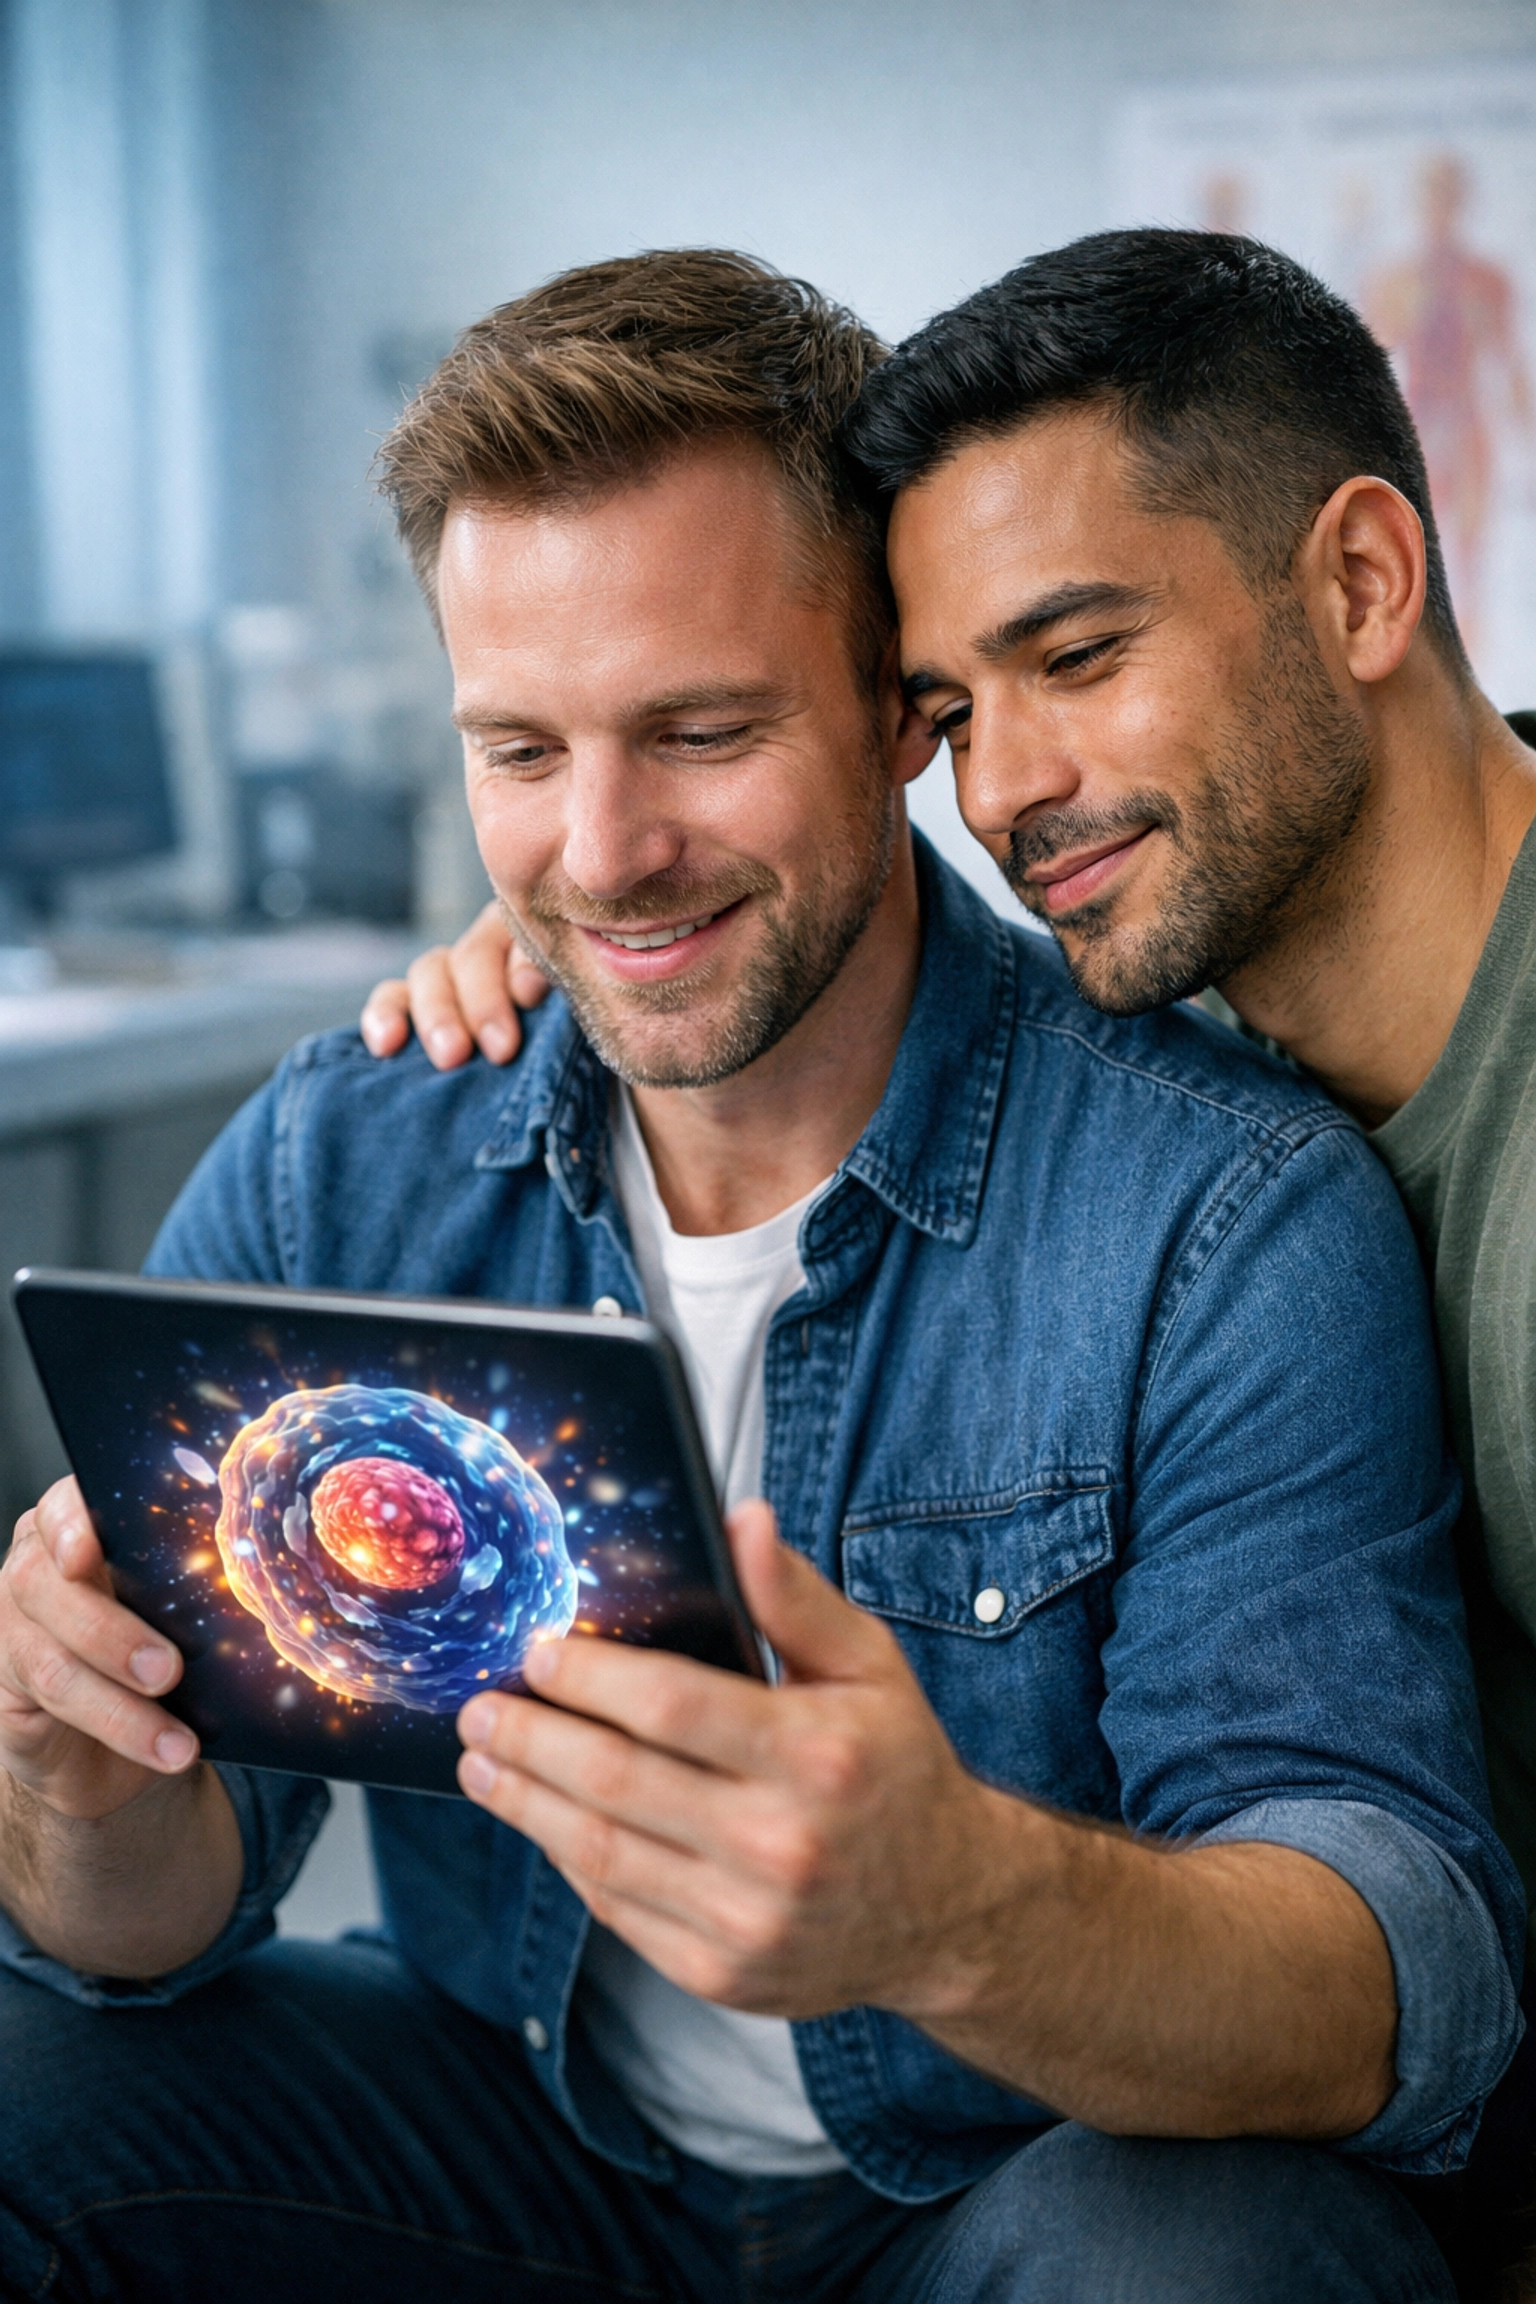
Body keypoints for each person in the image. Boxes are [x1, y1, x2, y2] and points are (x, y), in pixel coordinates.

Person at [0, 251, 1521, 2304]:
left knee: (1222, 2249)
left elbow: (1388, 1971)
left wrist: (955, 1912)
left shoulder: (1218, 1209)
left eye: (701, 730)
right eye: (521, 751)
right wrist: (76, 1792)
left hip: (998, 2193)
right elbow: (152, 1921)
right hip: (517, 2155)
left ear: (893, 720)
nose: (604, 852)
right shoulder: (347, 1150)